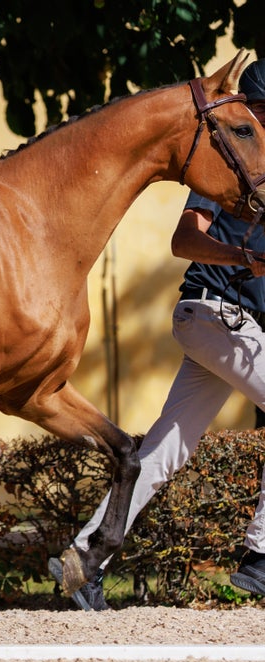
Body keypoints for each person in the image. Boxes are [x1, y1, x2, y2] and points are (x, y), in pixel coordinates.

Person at [50, 57, 265, 610]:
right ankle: (262, 557)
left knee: (166, 451)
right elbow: (184, 240)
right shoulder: (237, 161)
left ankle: (83, 558)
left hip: (228, 329)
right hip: (216, 314)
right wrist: (243, 255)